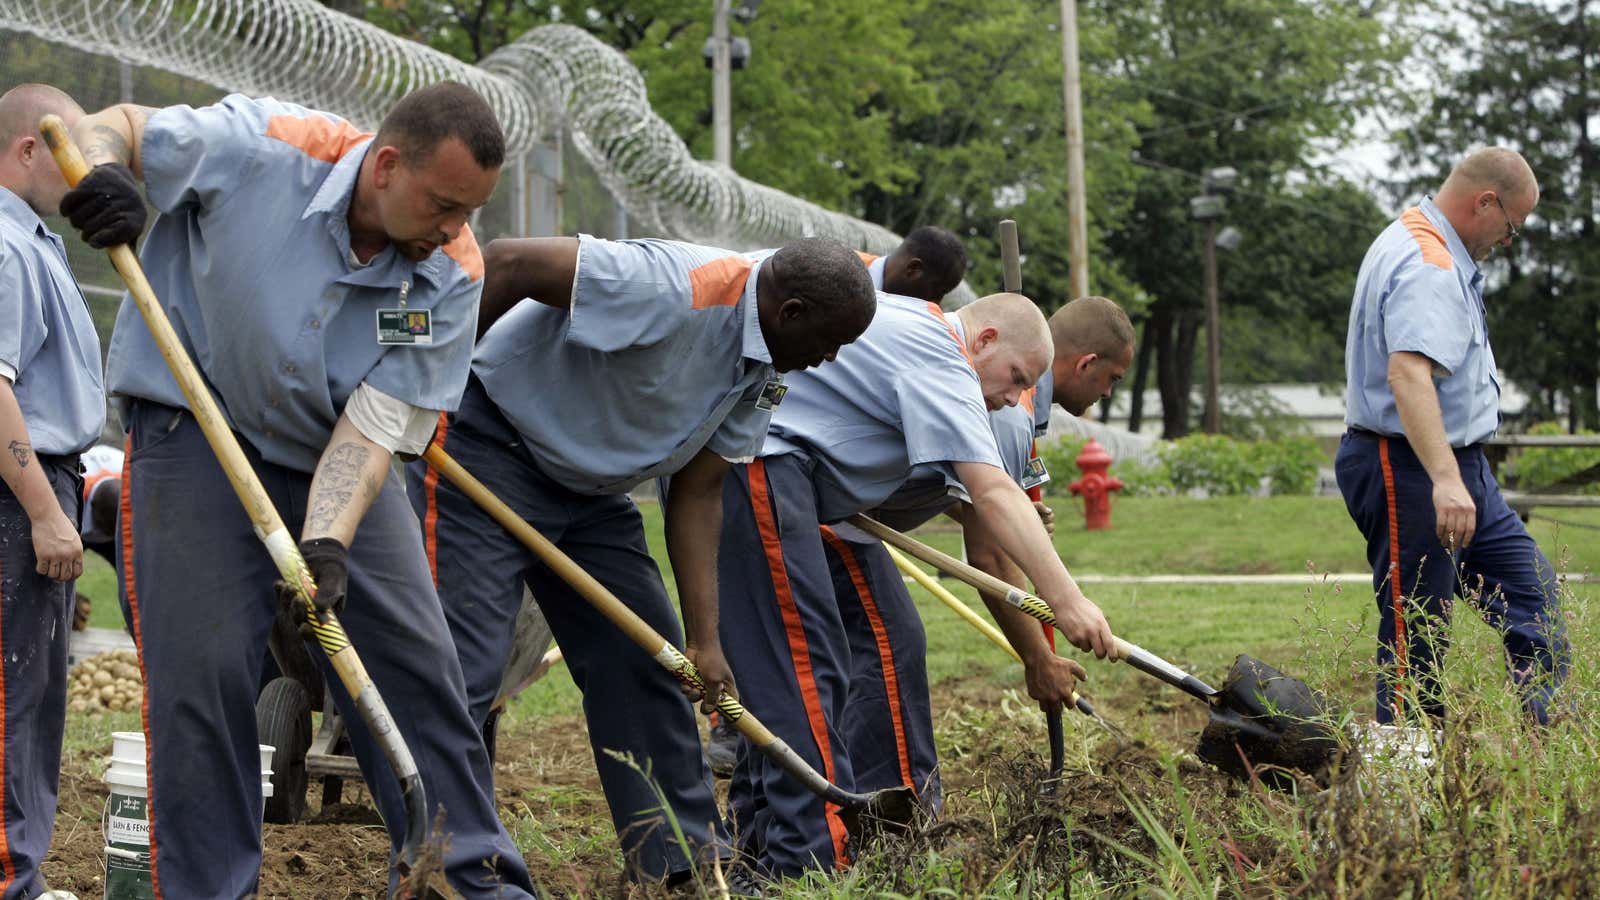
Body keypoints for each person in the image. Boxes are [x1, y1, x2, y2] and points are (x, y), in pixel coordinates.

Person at [59, 84, 536, 898]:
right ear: (386, 165)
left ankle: (464, 880)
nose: (455, 228)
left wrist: (325, 543)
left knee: (416, 664)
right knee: (202, 678)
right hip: (194, 432)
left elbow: (372, 433)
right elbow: (112, 126)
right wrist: (104, 171)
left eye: (470, 211)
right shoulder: (266, 145)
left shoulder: (451, 274)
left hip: (335, 449)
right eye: (443, 204)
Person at [412, 234, 874, 886]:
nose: (828, 361)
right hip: (488, 448)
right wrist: (426, 380)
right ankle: (449, 871)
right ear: (790, 311)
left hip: (594, 494)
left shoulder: (770, 367)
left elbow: (700, 488)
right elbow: (512, 261)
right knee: (464, 670)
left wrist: (705, 641)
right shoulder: (672, 284)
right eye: (829, 343)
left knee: (648, 662)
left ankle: (681, 868)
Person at [706, 290, 1116, 878]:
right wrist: (1067, 604)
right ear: (986, 340)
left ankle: (774, 842)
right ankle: (815, 858)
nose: (1009, 398)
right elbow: (994, 510)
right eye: (1015, 378)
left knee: (799, 668)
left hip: (782, 475)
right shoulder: (942, 358)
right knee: (815, 665)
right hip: (763, 467)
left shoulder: (935, 345)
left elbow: (963, 494)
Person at [804, 295, 1134, 813]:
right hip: (824, 513)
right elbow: (990, 554)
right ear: (1087, 363)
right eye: (1111, 379)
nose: (1108, 393)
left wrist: (1007, 521)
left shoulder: (1013, 398)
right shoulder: (1007, 409)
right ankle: (901, 815)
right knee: (890, 645)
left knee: (857, 654)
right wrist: (1038, 656)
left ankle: (859, 797)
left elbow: (947, 485)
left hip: (834, 509)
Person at [1336, 147, 1568, 726]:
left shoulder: (1417, 239)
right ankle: (1406, 792)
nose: (1508, 239)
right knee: (1418, 632)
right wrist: (1444, 479)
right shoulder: (1429, 264)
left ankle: (1548, 747)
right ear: (1483, 202)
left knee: (1531, 592)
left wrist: (1457, 474)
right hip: (1411, 465)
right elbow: (1407, 373)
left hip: (1456, 466)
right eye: (1511, 224)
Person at [0, 82, 104, 900]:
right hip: (15, 494)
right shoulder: (4, 245)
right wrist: (43, 510)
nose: (84, 173)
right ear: (29, 148)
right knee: (10, 696)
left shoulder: (36, 239)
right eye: (72, 151)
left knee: (32, 696)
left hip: (42, 482)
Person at [856, 225, 968, 303]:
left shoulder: (909, 321)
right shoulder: (842, 271)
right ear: (913, 269)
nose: (935, 303)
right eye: (939, 292)